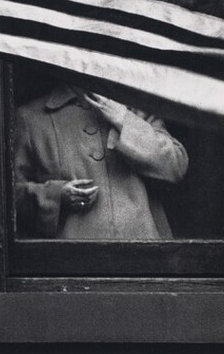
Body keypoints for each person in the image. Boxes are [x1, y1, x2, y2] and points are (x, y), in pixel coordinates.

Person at [14, 83, 188, 239]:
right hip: (72, 261)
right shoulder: (31, 117)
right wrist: (55, 195)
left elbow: (176, 166)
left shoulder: (137, 108)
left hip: (143, 258)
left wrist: (124, 120)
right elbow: (8, 195)